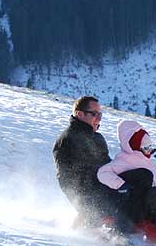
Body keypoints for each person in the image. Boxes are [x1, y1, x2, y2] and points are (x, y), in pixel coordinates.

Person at [52, 96, 122, 228]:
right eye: (94, 114)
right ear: (80, 114)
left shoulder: (97, 137)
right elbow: (71, 175)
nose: (99, 119)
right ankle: (87, 232)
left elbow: (106, 165)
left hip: (99, 186)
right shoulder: (68, 139)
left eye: (100, 114)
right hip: (82, 189)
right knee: (100, 211)